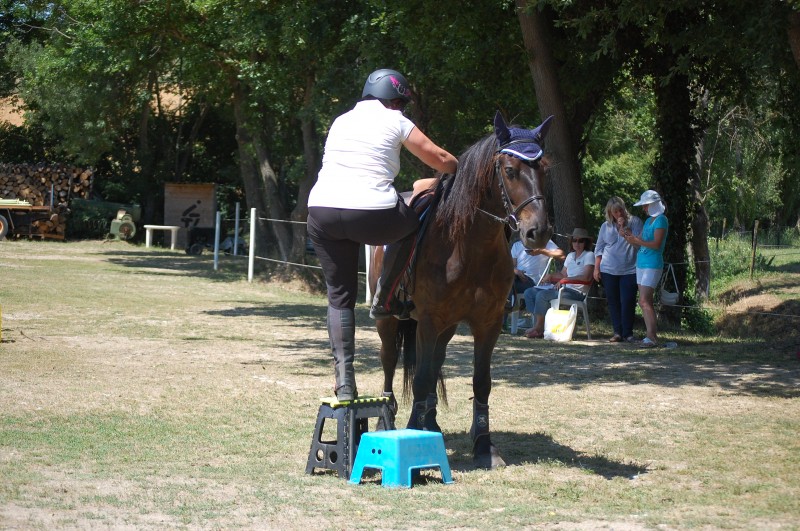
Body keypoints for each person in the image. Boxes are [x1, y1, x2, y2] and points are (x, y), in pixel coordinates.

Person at [307, 69, 458, 401]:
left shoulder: (340, 121)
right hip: (371, 211)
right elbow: (439, 158)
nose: (401, 108)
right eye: (401, 103)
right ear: (394, 100)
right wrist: (464, 169)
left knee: (339, 298)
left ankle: (345, 382)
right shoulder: (395, 120)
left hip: (322, 211)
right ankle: (386, 296)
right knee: (412, 225)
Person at [523, 228, 595, 339]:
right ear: (571, 241)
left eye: (581, 241)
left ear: (586, 242)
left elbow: (586, 278)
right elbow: (562, 274)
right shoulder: (570, 256)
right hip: (564, 289)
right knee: (529, 292)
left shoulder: (589, 255)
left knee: (542, 295)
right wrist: (551, 276)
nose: (577, 243)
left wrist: (565, 280)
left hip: (577, 292)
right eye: (574, 240)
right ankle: (539, 325)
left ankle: (538, 328)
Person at [622, 190, 669, 348]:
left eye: (646, 205)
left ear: (653, 204)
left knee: (644, 300)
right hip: (641, 263)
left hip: (652, 264)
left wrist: (636, 240)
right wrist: (627, 235)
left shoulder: (661, 220)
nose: (644, 208)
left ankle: (651, 337)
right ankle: (650, 336)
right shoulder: (649, 220)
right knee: (644, 302)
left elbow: (656, 244)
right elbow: (638, 241)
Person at [594, 197, 643, 343]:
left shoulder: (635, 222)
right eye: (615, 211)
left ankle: (628, 333)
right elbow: (599, 248)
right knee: (613, 301)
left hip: (630, 269)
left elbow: (640, 244)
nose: (619, 213)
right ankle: (617, 332)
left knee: (628, 300)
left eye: (620, 210)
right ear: (610, 212)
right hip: (608, 269)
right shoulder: (605, 226)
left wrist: (627, 233)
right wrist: (596, 268)